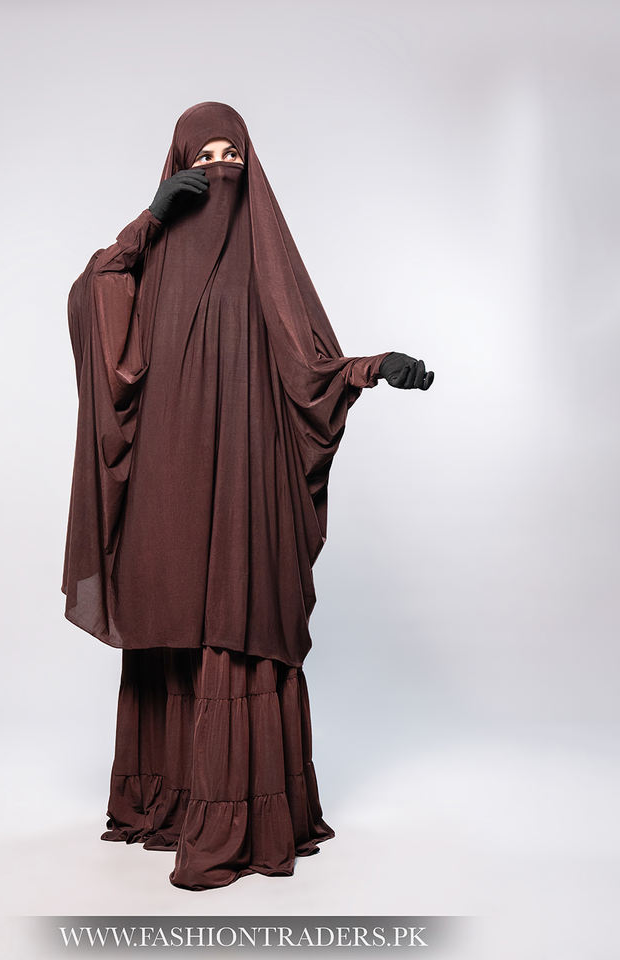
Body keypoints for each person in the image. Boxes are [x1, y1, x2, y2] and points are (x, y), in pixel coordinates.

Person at [62, 101, 434, 891]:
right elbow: (93, 293)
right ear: (177, 167)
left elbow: (310, 368)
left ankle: (237, 812)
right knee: (171, 623)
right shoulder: (148, 263)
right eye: (203, 157)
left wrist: (373, 368)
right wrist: (149, 220)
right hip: (168, 481)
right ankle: (168, 800)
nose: (219, 170)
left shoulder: (267, 262)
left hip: (242, 485)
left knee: (236, 619)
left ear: (251, 165)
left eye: (232, 154)